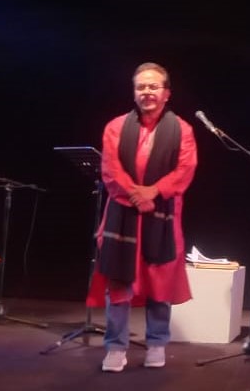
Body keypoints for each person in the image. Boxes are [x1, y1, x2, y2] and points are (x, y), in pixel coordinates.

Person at [85, 62, 198, 372]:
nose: (147, 92)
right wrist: (137, 195)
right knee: (118, 283)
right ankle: (115, 348)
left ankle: (157, 344)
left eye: (153, 86)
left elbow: (185, 170)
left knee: (159, 281)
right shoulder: (115, 127)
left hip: (163, 217)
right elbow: (110, 170)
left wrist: (154, 192)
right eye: (141, 87)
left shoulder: (183, 130)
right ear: (134, 93)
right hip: (122, 214)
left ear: (166, 93)